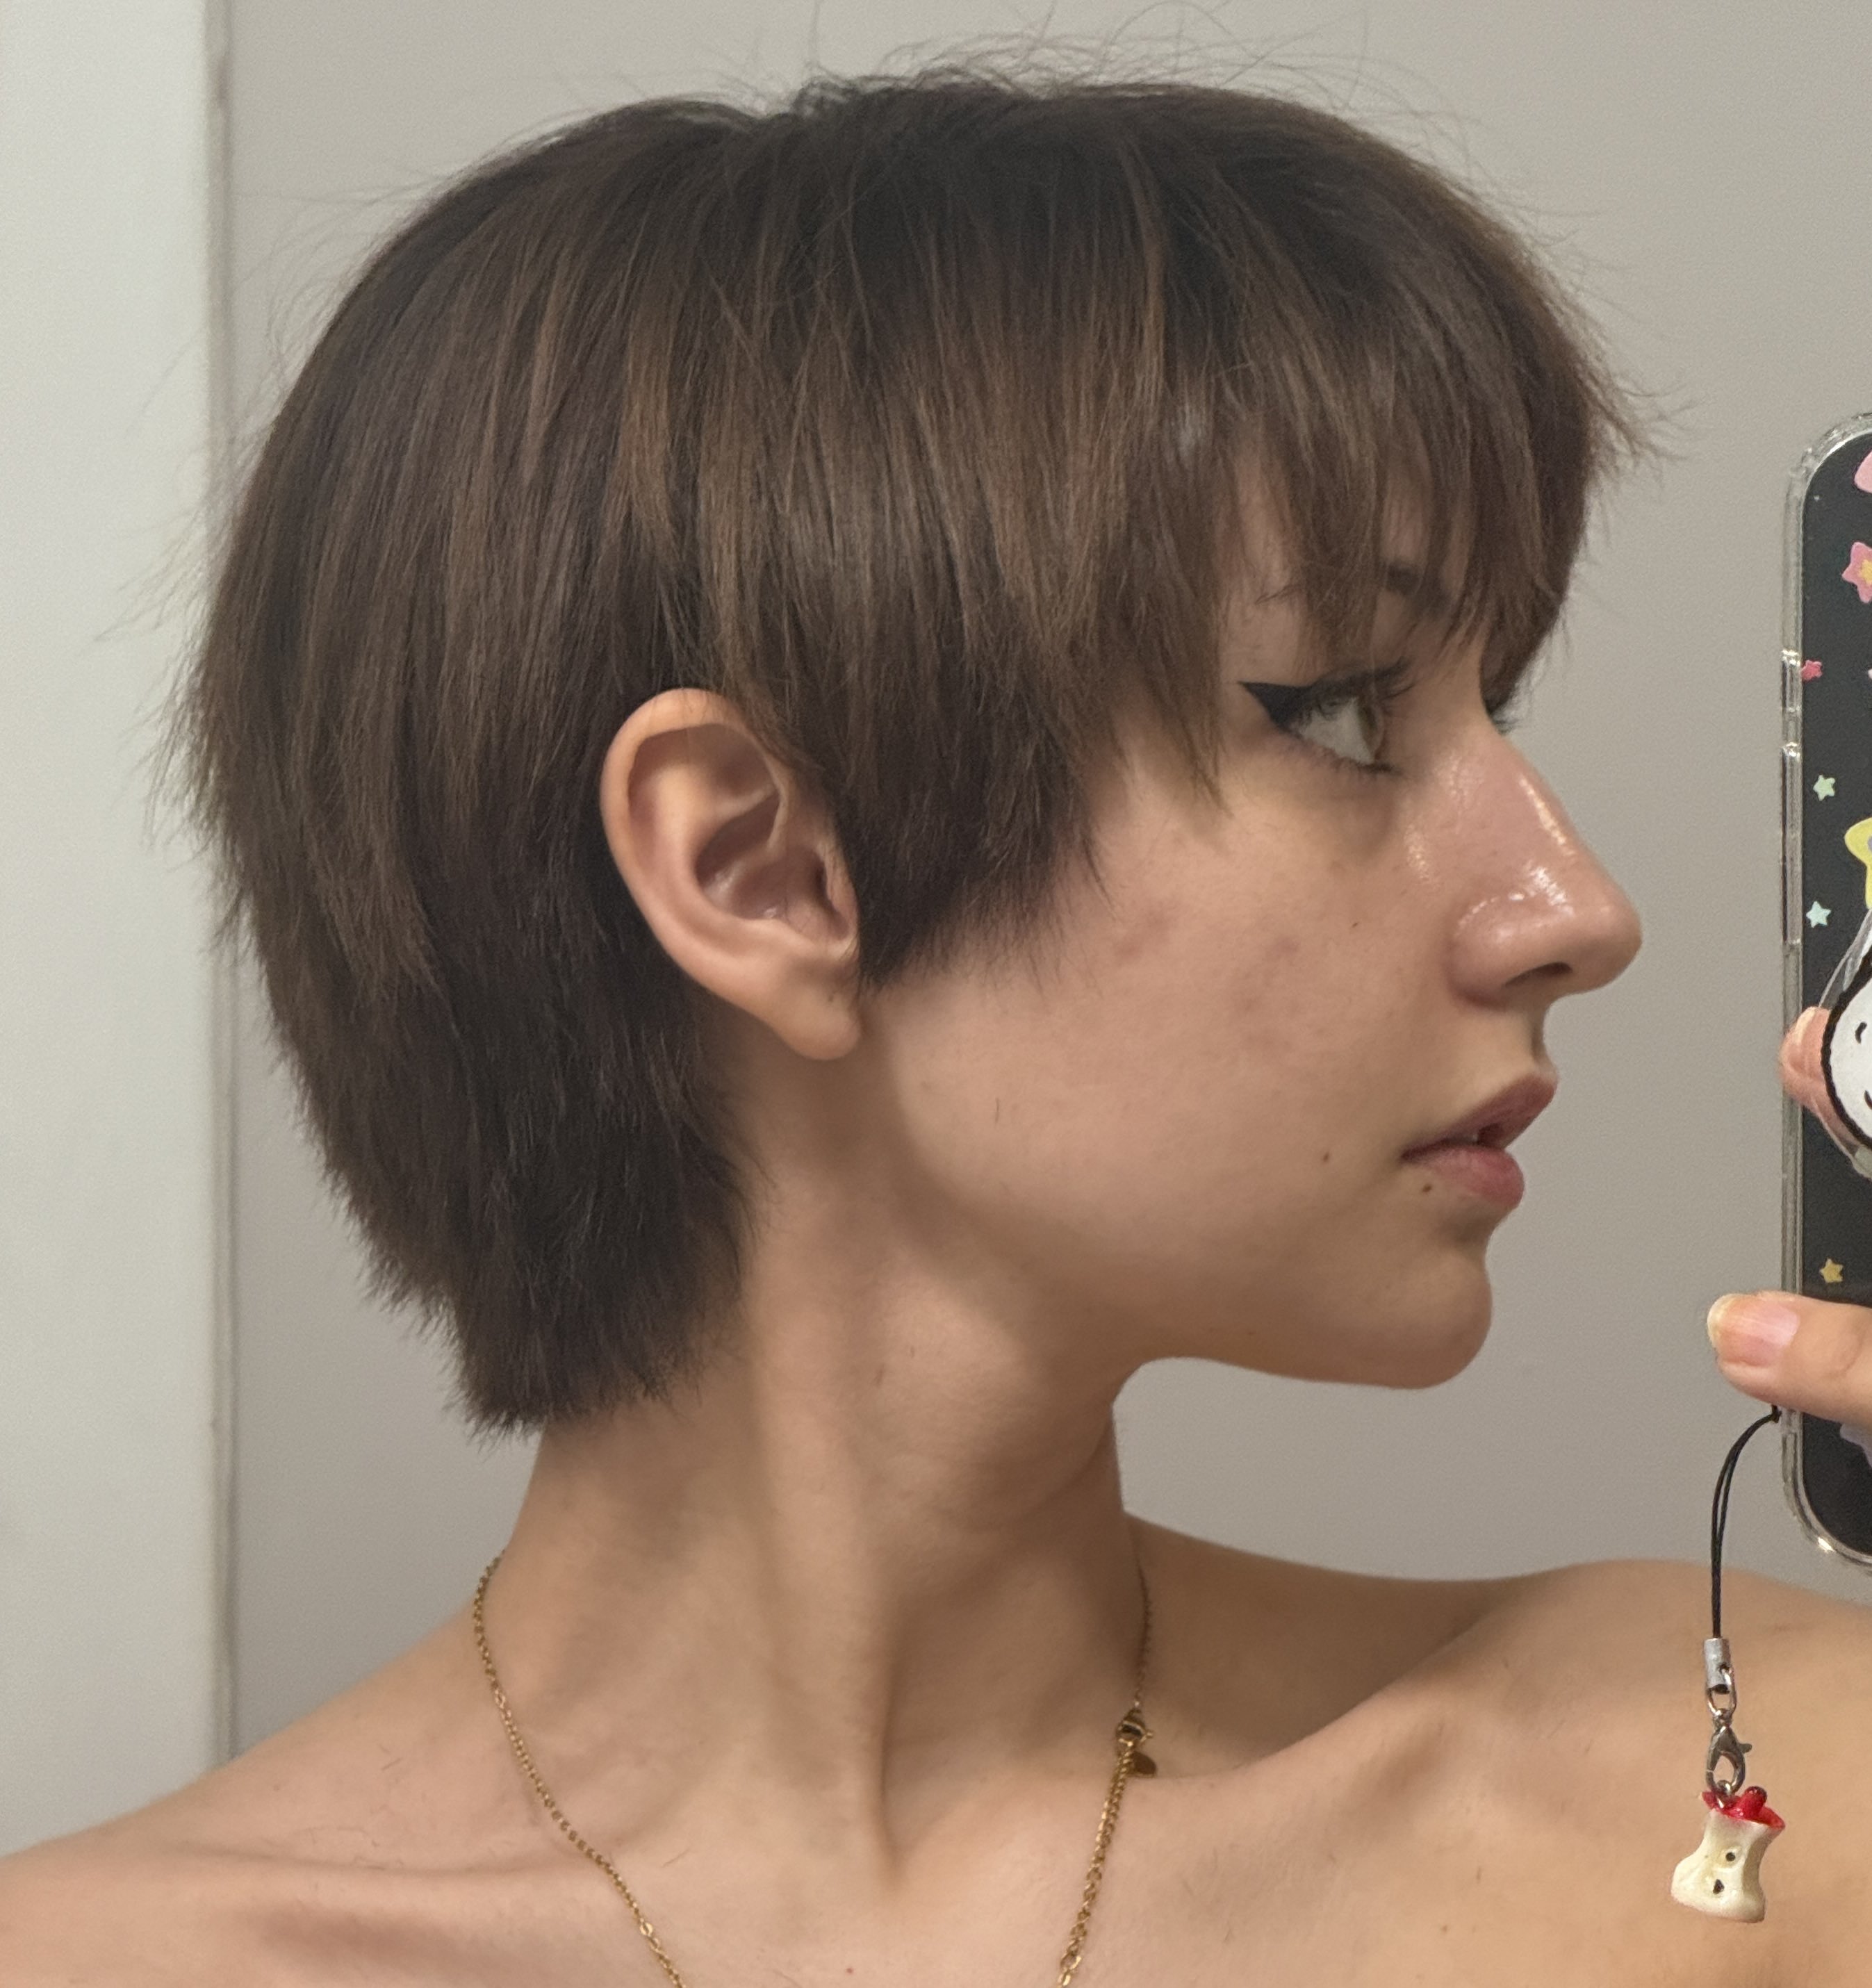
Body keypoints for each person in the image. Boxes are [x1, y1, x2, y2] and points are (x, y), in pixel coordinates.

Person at [5, 65, 1871, 1985]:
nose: (1576, 911)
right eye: (1335, 706)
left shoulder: (1752, 1814)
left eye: (1497, 700)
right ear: (760, 869)